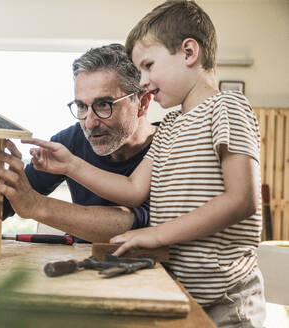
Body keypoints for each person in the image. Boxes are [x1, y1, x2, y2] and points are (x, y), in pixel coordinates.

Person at [24, 1, 265, 326]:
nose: (145, 81)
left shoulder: (227, 108)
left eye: (149, 66)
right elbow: (132, 189)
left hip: (227, 298)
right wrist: (70, 166)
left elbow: (242, 200)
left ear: (189, 52)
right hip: (178, 287)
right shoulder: (170, 127)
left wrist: (157, 233)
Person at [0, 44, 157, 243]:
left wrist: (37, 205)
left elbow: (139, 224)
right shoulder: (68, 142)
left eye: (104, 105)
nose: (89, 122)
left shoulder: (172, 144)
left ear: (143, 103)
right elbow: (6, 203)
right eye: (81, 106)